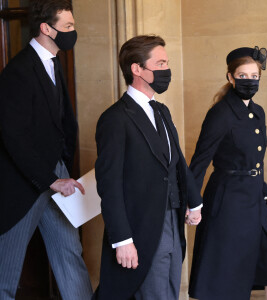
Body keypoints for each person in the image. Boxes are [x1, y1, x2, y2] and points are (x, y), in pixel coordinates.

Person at [93, 35, 202, 300]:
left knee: (170, 293)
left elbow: (176, 162)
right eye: (161, 63)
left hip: (174, 221)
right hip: (141, 229)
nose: (167, 69)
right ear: (137, 69)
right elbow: (109, 186)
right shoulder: (114, 119)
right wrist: (122, 240)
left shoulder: (162, 111)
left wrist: (193, 202)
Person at [188, 46, 267, 300]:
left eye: (254, 77)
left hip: (255, 202)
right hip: (228, 204)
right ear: (230, 77)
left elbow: (256, 163)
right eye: (242, 76)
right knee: (228, 275)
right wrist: (193, 204)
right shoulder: (220, 114)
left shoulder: (258, 112)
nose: (249, 81)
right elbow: (200, 162)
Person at [0, 1, 93, 299]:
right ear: (45, 28)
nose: (73, 33)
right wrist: (51, 179)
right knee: (6, 272)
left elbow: (61, 123)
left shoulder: (53, 62)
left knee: (70, 254)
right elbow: (12, 136)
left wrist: (61, 168)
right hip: (24, 185)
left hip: (56, 175)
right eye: (68, 27)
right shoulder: (18, 71)